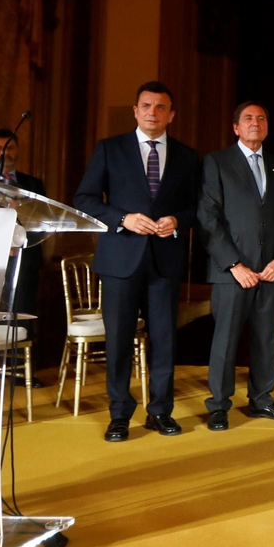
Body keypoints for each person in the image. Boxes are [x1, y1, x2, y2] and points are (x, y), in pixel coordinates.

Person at [73, 81, 200, 442]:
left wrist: (178, 221)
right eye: (146, 105)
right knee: (118, 340)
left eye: (161, 107)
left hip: (166, 259)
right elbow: (84, 198)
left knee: (164, 340)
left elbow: (197, 209)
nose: (152, 112)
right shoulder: (110, 149)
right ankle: (119, 415)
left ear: (171, 115)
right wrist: (121, 217)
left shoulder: (188, 156)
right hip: (119, 258)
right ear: (135, 110)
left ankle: (160, 412)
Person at [197, 101, 274, 430]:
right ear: (236, 127)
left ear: (267, 126)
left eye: (261, 118)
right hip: (232, 272)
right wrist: (234, 264)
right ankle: (219, 406)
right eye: (248, 118)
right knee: (225, 340)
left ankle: (262, 400)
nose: (256, 123)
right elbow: (208, 218)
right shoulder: (217, 162)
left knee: (265, 337)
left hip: (269, 270)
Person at [0, 128, 46, 386]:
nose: (4, 153)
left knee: (22, 313)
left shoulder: (33, 185)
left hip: (24, 258)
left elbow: (42, 220)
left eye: (9, 148)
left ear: (17, 152)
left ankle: (21, 372)